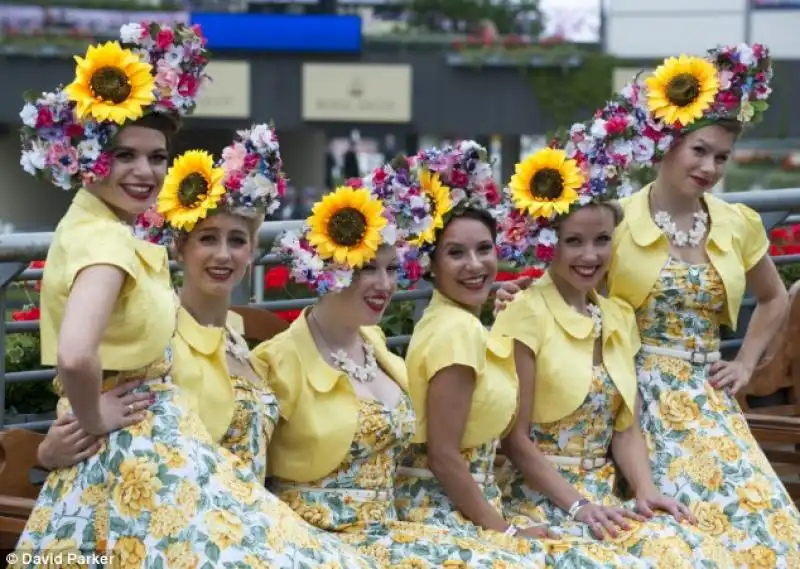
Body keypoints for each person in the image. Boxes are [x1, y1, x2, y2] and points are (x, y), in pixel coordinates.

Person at [496, 43, 800, 566]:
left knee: (766, 520)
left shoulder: (738, 223)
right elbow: (573, 278)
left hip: (707, 397)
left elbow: (773, 299)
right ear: (667, 146)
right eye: (699, 150)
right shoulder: (617, 220)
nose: (709, 166)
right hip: (633, 394)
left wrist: (746, 364)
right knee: (685, 525)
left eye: (722, 157)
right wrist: (516, 293)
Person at [32, 125, 377, 567]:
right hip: (174, 520)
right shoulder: (153, 319)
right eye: (207, 239)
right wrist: (59, 440)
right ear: (179, 248)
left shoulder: (242, 339)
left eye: (237, 241)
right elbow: (93, 372)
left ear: (253, 251)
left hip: (239, 517)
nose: (223, 255)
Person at [250, 160, 548, 568]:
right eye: (367, 269)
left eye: (391, 269)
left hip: (390, 532)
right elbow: (247, 473)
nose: (385, 285)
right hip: (317, 542)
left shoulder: (377, 346)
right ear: (327, 269)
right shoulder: (275, 360)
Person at [396, 142, 650, 568]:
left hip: (482, 505)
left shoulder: (469, 325)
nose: (475, 265)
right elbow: (446, 455)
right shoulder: (459, 331)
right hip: (450, 512)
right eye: (455, 253)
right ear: (430, 265)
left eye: (484, 249)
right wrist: (508, 531)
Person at [488, 143, 736, 567]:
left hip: (604, 496)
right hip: (541, 499)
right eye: (574, 242)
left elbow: (626, 427)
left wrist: (644, 489)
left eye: (602, 240)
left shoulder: (618, 316)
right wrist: (577, 506)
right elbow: (515, 440)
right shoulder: (524, 313)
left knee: (702, 550)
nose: (590, 256)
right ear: (549, 244)